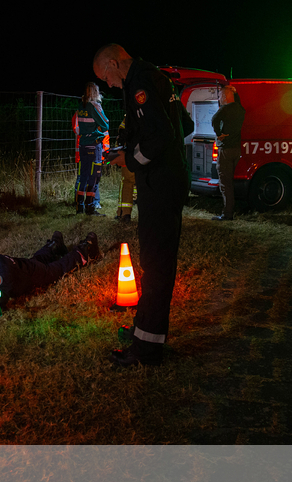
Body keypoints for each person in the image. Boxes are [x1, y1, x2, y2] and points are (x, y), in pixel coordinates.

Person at [93, 43, 192, 367]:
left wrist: (130, 159)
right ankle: (144, 331)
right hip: (168, 180)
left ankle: (146, 349)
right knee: (156, 263)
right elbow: (184, 126)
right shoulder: (158, 77)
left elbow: (160, 137)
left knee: (156, 266)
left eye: (104, 76)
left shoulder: (140, 83)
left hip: (159, 184)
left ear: (112, 62)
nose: (108, 84)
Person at [0, 231, 101, 314]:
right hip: (23, 265)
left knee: (57, 269)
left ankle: (86, 250)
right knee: (37, 259)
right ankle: (54, 245)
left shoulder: (1, 269)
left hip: (31, 275)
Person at [211, 85, 245, 221]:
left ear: (224, 97)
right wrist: (235, 93)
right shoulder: (240, 109)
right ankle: (230, 210)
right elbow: (240, 103)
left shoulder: (224, 109)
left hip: (225, 150)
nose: (219, 98)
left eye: (219, 96)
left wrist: (219, 134)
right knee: (230, 181)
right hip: (236, 149)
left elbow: (214, 120)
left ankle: (227, 214)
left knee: (225, 183)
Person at [74, 82, 109, 216]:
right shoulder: (94, 106)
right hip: (94, 146)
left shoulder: (80, 106)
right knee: (94, 177)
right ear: (95, 92)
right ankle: (90, 207)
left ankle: (79, 207)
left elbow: (77, 128)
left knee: (82, 177)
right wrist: (99, 129)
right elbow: (105, 124)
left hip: (83, 145)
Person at [114, 116, 137, 222]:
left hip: (129, 153)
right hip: (146, 154)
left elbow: (122, 132)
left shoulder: (129, 115)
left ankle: (124, 213)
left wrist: (119, 148)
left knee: (127, 182)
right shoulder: (150, 111)